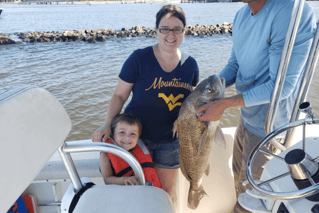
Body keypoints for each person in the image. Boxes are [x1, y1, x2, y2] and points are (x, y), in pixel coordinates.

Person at [196, 0, 316, 212]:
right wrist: (208, 88)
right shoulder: (241, 15)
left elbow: (283, 86)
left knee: (251, 197)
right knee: (238, 176)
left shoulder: (291, 11)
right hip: (247, 117)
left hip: (272, 127)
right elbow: (234, 65)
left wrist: (224, 104)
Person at [92, 4, 199, 206]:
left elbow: (191, 103)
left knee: (167, 193)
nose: (171, 34)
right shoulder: (139, 58)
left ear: (184, 31)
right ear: (156, 30)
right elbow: (119, 95)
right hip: (135, 139)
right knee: (136, 192)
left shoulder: (190, 64)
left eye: (177, 29)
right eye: (165, 28)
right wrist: (107, 124)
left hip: (171, 141)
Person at [99, 113, 162, 188]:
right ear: (113, 133)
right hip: (126, 193)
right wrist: (124, 180)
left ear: (138, 137)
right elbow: (107, 179)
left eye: (132, 134)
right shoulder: (105, 155)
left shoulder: (144, 147)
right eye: (122, 132)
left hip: (149, 191)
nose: (127, 138)